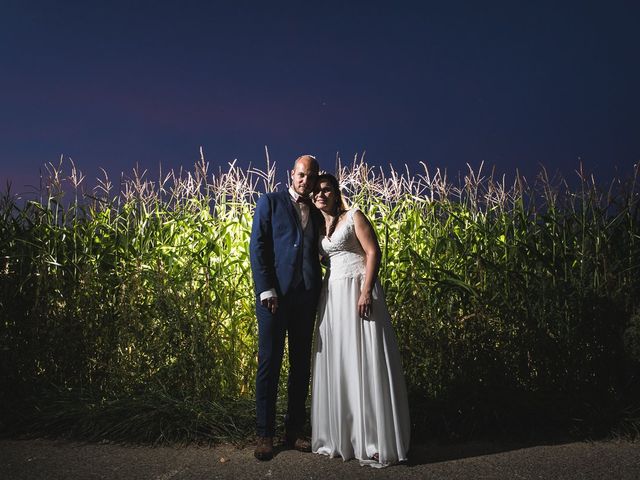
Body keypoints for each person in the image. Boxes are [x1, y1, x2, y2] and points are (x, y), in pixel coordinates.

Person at [310, 173, 410, 468]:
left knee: (364, 361)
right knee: (341, 362)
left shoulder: (354, 215)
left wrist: (366, 291)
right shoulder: (320, 228)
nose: (321, 195)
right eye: (316, 191)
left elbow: (373, 251)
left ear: (336, 192)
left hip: (357, 291)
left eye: (326, 190)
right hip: (333, 298)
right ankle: (345, 437)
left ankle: (375, 440)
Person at [249, 154, 323, 461]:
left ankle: (293, 432)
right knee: (269, 363)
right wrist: (266, 289)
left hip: (306, 298)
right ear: (292, 175)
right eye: (301, 175)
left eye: (311, 177)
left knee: (300, 366)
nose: (305, 180)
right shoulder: (270, 201)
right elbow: (258, 247)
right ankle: (265, 433)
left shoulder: (319, 212)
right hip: (274, 297)